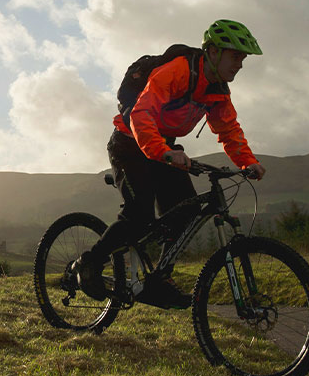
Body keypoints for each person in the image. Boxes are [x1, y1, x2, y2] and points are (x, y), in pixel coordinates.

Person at [75, 19, 267, 309]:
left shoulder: (218, 91)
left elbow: (228, 130)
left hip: (163, 147)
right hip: (130, 142)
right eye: (235, 55)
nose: (239, 64)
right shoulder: (178, 71)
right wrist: (163, 152)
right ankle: (88, 264)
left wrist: (247, 162)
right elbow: (141, 113)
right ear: (213, 52)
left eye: (243, 59)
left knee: (186, 210)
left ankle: (157, 280)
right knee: (139, 214)